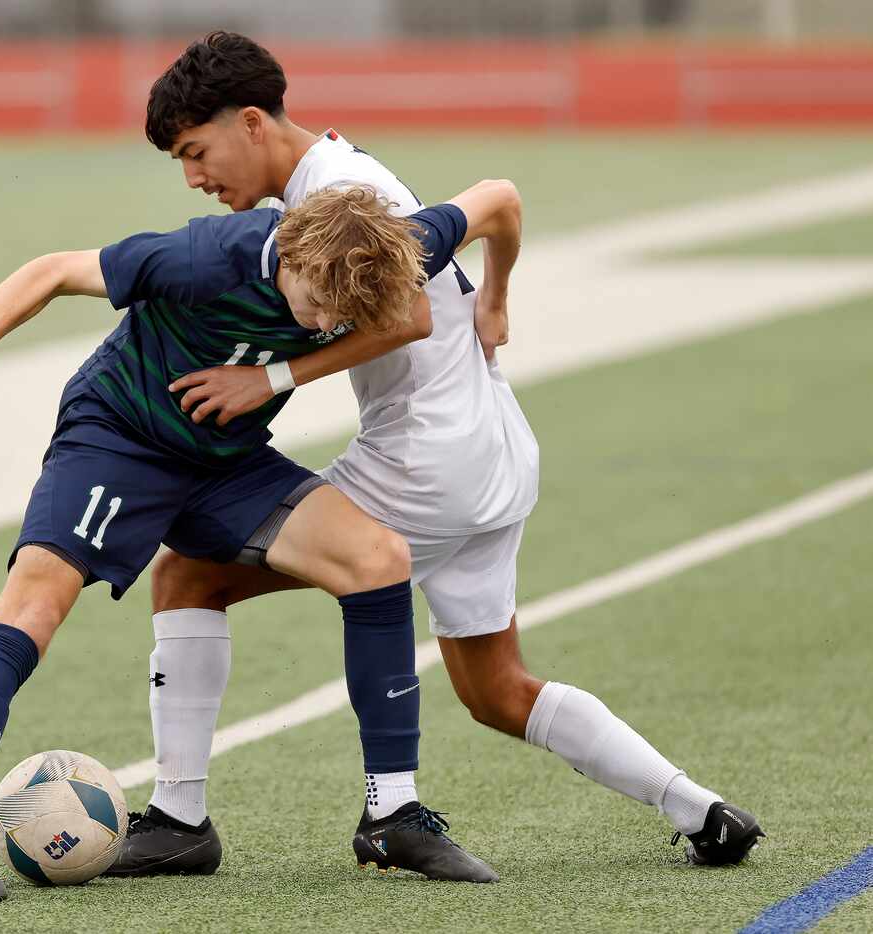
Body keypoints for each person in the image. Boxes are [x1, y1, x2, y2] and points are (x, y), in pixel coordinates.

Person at [109, 31, 764, 879]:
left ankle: (189, 818)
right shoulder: (345, 174)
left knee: (189, 575)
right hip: (493, 449)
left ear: (251, 122)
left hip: (423, 460)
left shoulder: (338, 192)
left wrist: (270, 380)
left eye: (197, 153)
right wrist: (494, 298)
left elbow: (409, 318)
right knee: (497, 691)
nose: (195, 177)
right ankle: (700, 809)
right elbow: (499, 199)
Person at [0, 174, 516, 899]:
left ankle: (391, 813)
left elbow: (495, 204)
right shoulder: (204, 258)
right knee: (36, 601)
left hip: (224, 457)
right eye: (320, 306)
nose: (327, 322)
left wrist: (490, 299)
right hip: (121, 439)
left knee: (378, 559)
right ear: (297, 258)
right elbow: (55, 270)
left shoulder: (385, 252)